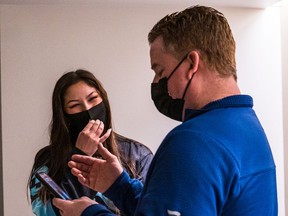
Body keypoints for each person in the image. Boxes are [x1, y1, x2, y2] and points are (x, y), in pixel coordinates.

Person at [53, 5, 278, 215]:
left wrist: (89, 213)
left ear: (191, 64)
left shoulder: (194, 142)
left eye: (160, 71)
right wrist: (119, 186)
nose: (158, 82)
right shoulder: (248, 128)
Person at [27, 69, 153, 216]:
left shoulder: (138, 154)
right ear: (64, 114)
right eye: (75, 105)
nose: (87, 109)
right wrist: (80, 155)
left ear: (104, 101)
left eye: (93, 99)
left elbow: (151, 210)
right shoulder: (48, 159)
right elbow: (45, 212)